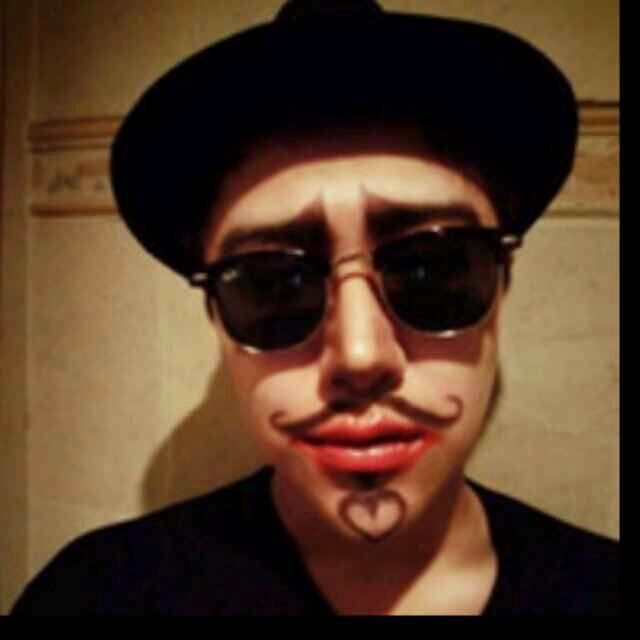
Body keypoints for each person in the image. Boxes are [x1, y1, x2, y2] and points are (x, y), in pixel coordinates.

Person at [11, 0, 618, 615]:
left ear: (503, 284)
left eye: (432, 271)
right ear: (215, 316)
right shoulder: (95, 599)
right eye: (273, 286)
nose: (360, 356)